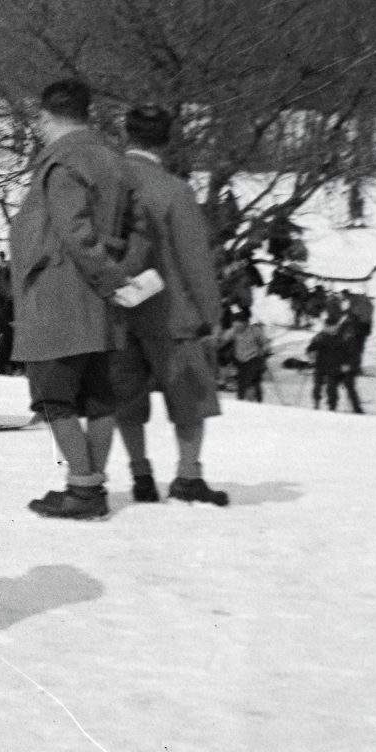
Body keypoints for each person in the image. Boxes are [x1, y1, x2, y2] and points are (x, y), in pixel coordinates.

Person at [8, 79, 155, 520]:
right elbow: (139, 224)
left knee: (55, 396)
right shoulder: (113, 158)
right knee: (99, 396)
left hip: (61, 293)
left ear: (47, 118)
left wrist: (108, 276)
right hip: (101, 301)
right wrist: (124, 272)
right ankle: (88, 487)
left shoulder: (63, 162)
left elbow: (75, 234)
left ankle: (84, 489)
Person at [108, 106, 229, 504]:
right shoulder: (174, 190)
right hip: (171, 313)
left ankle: (140, 474)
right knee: (189, 396)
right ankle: (187, 475)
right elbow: (196, 261)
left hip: (118, 310)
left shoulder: (106, 182)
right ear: (166, 140)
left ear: (126, 135)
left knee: (125, 395)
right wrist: (211, 315)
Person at [307, 317, 363, 414]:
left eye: (333, 327)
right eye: (328, 327)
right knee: (323, 387)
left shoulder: (342, 336)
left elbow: (350, 352)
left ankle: (352, 408)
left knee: (343, 387)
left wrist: (348, 364)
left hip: (340, 367)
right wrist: (311, 353)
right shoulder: (320, 337)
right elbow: (311, 348)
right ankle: (323, 406)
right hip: (324, 366)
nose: (331, 329)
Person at [222, 311, 270, 401]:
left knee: (247, 380)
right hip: (240, 359)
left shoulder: (255, 330)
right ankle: (246, 400)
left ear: (245, 323)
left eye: (238, 325)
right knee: (248, 381)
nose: (236, 327)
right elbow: (223, 339)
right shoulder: (233, 331)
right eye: (235, 325)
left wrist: (265, 350)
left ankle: (249, 400)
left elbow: (265, 342)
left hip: (253, 358)